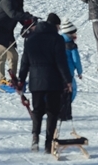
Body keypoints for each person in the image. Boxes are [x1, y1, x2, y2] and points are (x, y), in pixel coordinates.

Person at [18, 12, 71, 154]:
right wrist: (68, 80)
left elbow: (24, 63)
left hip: (36, 82)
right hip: (54, 81)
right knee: (53, 112)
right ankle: (49, 144)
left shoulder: (30, 39)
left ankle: (35, 136)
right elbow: (61, 62)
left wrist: (21, 81)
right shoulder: (57, 39)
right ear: (55, 25)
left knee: (37, 110)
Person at [58, 18, 82, 122]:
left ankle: (59, 112)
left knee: (60, 93)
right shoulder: (72, 45)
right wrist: (79, 71)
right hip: (69, 72)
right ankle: (66, 114)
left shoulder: (57, 41)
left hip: (58, 71)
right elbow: (76, 60)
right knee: (69, 93)